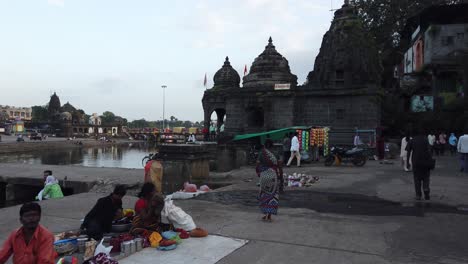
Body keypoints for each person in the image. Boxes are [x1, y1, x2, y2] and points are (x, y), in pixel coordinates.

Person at [406, 128, 433, 200]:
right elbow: (429, 150)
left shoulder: (412, 140)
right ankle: (426, 189)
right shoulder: (426, 140)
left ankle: (418, 195)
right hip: (426, 161)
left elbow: (408, 152)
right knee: (426, 177)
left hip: (416, 162)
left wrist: (407, 163)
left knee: (417, 178)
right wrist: (430, 160)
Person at [256, 139, 279, 221]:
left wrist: (258, 173)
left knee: (264, 194)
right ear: (272, 145)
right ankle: (269, 215)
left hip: (264, 175)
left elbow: (257, 164)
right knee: (272, 195)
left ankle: (265, 214)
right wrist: (281, 178)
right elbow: (279, 166)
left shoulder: (262, 153)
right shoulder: (275, 153)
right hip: (273, 176)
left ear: (264, 145)